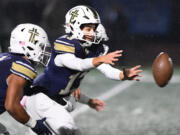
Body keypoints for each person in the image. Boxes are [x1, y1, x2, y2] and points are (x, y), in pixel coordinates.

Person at [22, 5, 142, 135]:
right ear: (74, 26)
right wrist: (98, 60)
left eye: (94, 29)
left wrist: (122, 75)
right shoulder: (65, 44)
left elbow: (106, 70)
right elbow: (76, 64)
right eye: (88, 29)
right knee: (70, 131)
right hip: (43, 97)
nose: (93, 33)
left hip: (54, 99)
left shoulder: (90, 50)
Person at [0, 23, 52, 135]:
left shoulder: (5, 57)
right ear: (29, 46)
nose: (44, 51)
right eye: (42, 46)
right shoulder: (23, 67)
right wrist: (35, 125)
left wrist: (38, 89)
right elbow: (11, 106)